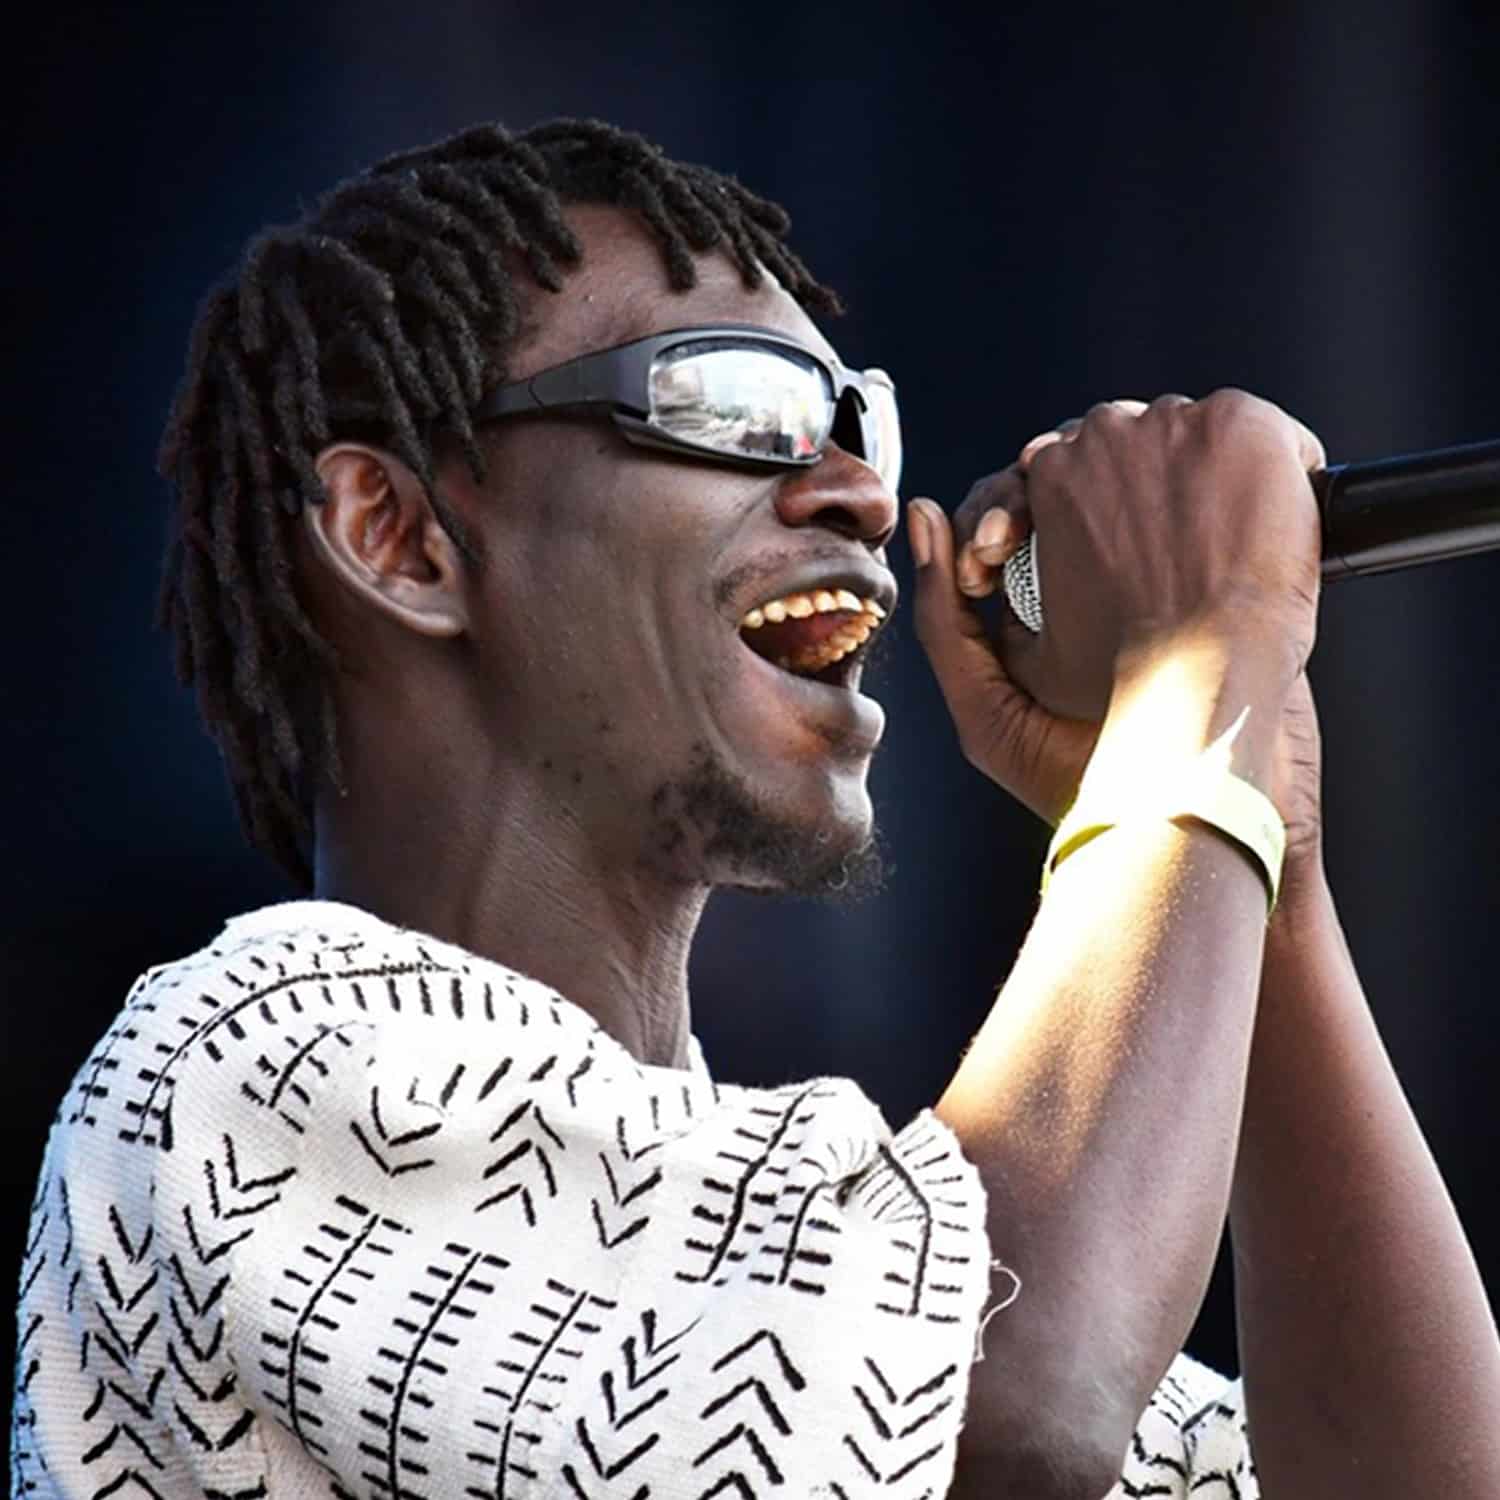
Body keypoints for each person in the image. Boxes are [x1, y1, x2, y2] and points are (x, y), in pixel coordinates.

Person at [10, 118, 1498, 1500]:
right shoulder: (241, 1067)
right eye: (738, 402)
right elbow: (1009, 1405)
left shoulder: (805, 1225)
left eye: (859, 426)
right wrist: (1200, 663)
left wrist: (1258, 840)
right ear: (398, 539)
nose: (858, 494)